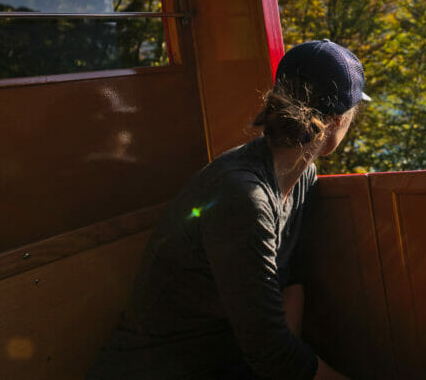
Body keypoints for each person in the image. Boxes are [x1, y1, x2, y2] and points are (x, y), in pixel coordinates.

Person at [88, 40, 367, 380]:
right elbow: (270, 352)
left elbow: (291, 281)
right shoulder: (242, 195)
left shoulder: (301, 174)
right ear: (338, 121)